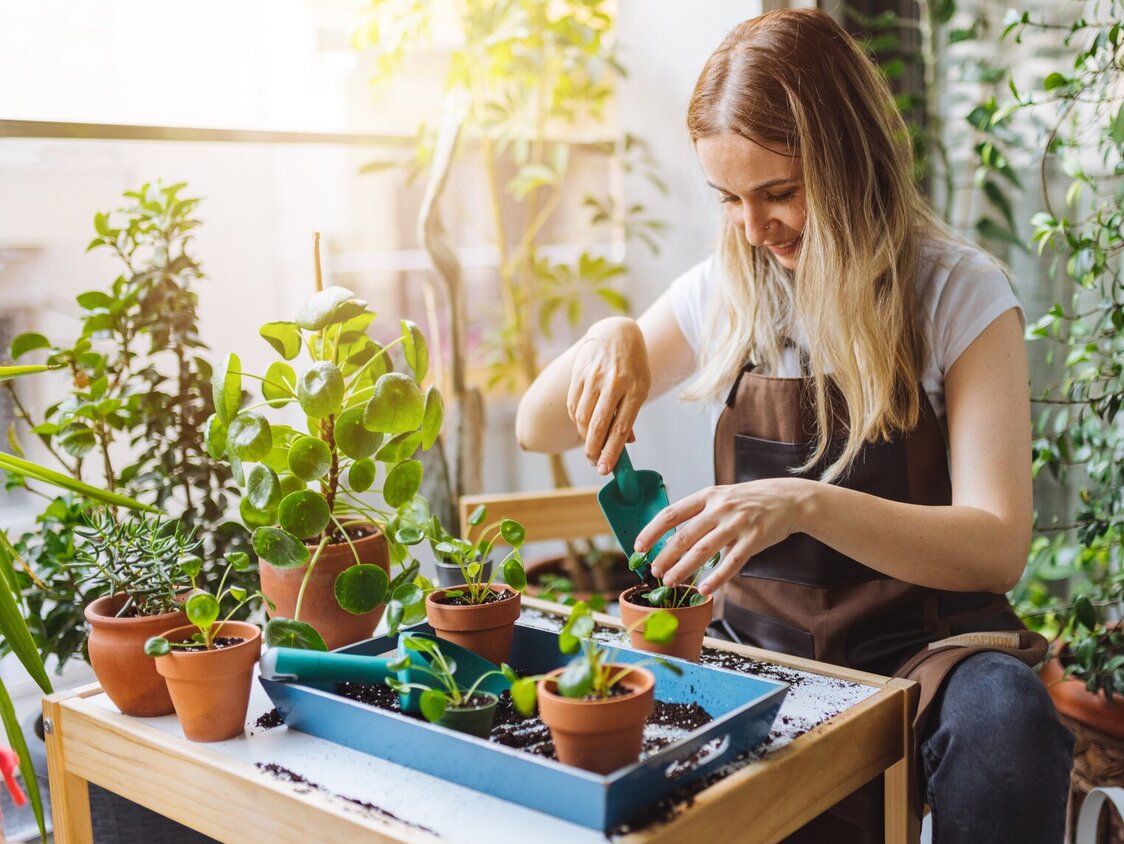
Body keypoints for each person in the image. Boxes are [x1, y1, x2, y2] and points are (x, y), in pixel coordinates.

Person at [516, 9, 1073, 843]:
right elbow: (537, 426)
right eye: (729, 198)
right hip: (763, 655)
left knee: (1009, 723)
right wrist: (613, 337)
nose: (752, 225)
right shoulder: (729, 286)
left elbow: (996, 546)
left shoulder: (960, 294)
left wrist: (805, 502)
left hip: (927, 654)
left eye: (779, 192)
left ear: (852, 161)